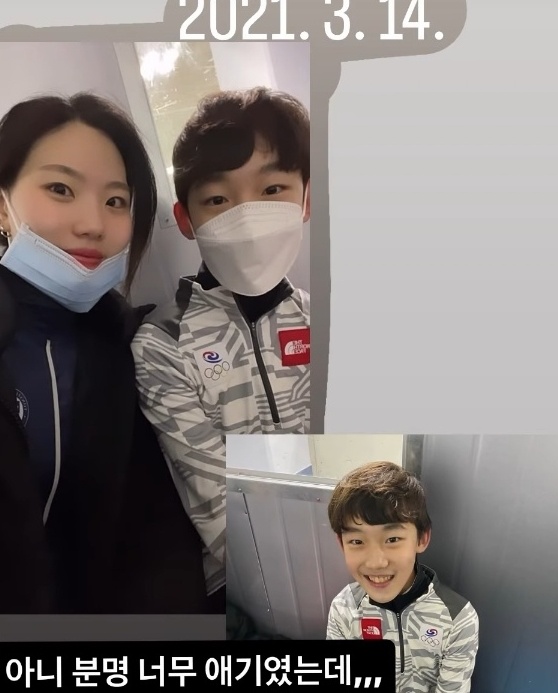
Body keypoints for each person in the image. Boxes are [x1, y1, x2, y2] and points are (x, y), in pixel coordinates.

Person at [0, 91, 214, 614]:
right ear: (2, 204)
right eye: (60, 189)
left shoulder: (126, 347)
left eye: (116, 201)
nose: (93, 222)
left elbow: (151, 538)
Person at [131, 87, 311, 598]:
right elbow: (218, 512)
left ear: (306, 200)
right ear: (185, 219)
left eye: (272, 188)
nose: (248, 217)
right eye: (218, 199)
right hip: (243, 586)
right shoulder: (162, 346)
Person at [326, 461, 479, 693]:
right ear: (341, 544)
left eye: (392, 539)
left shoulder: (458, 618)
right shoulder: (344, 608)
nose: (376, 562)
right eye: (357, 541)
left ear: (422, 539)